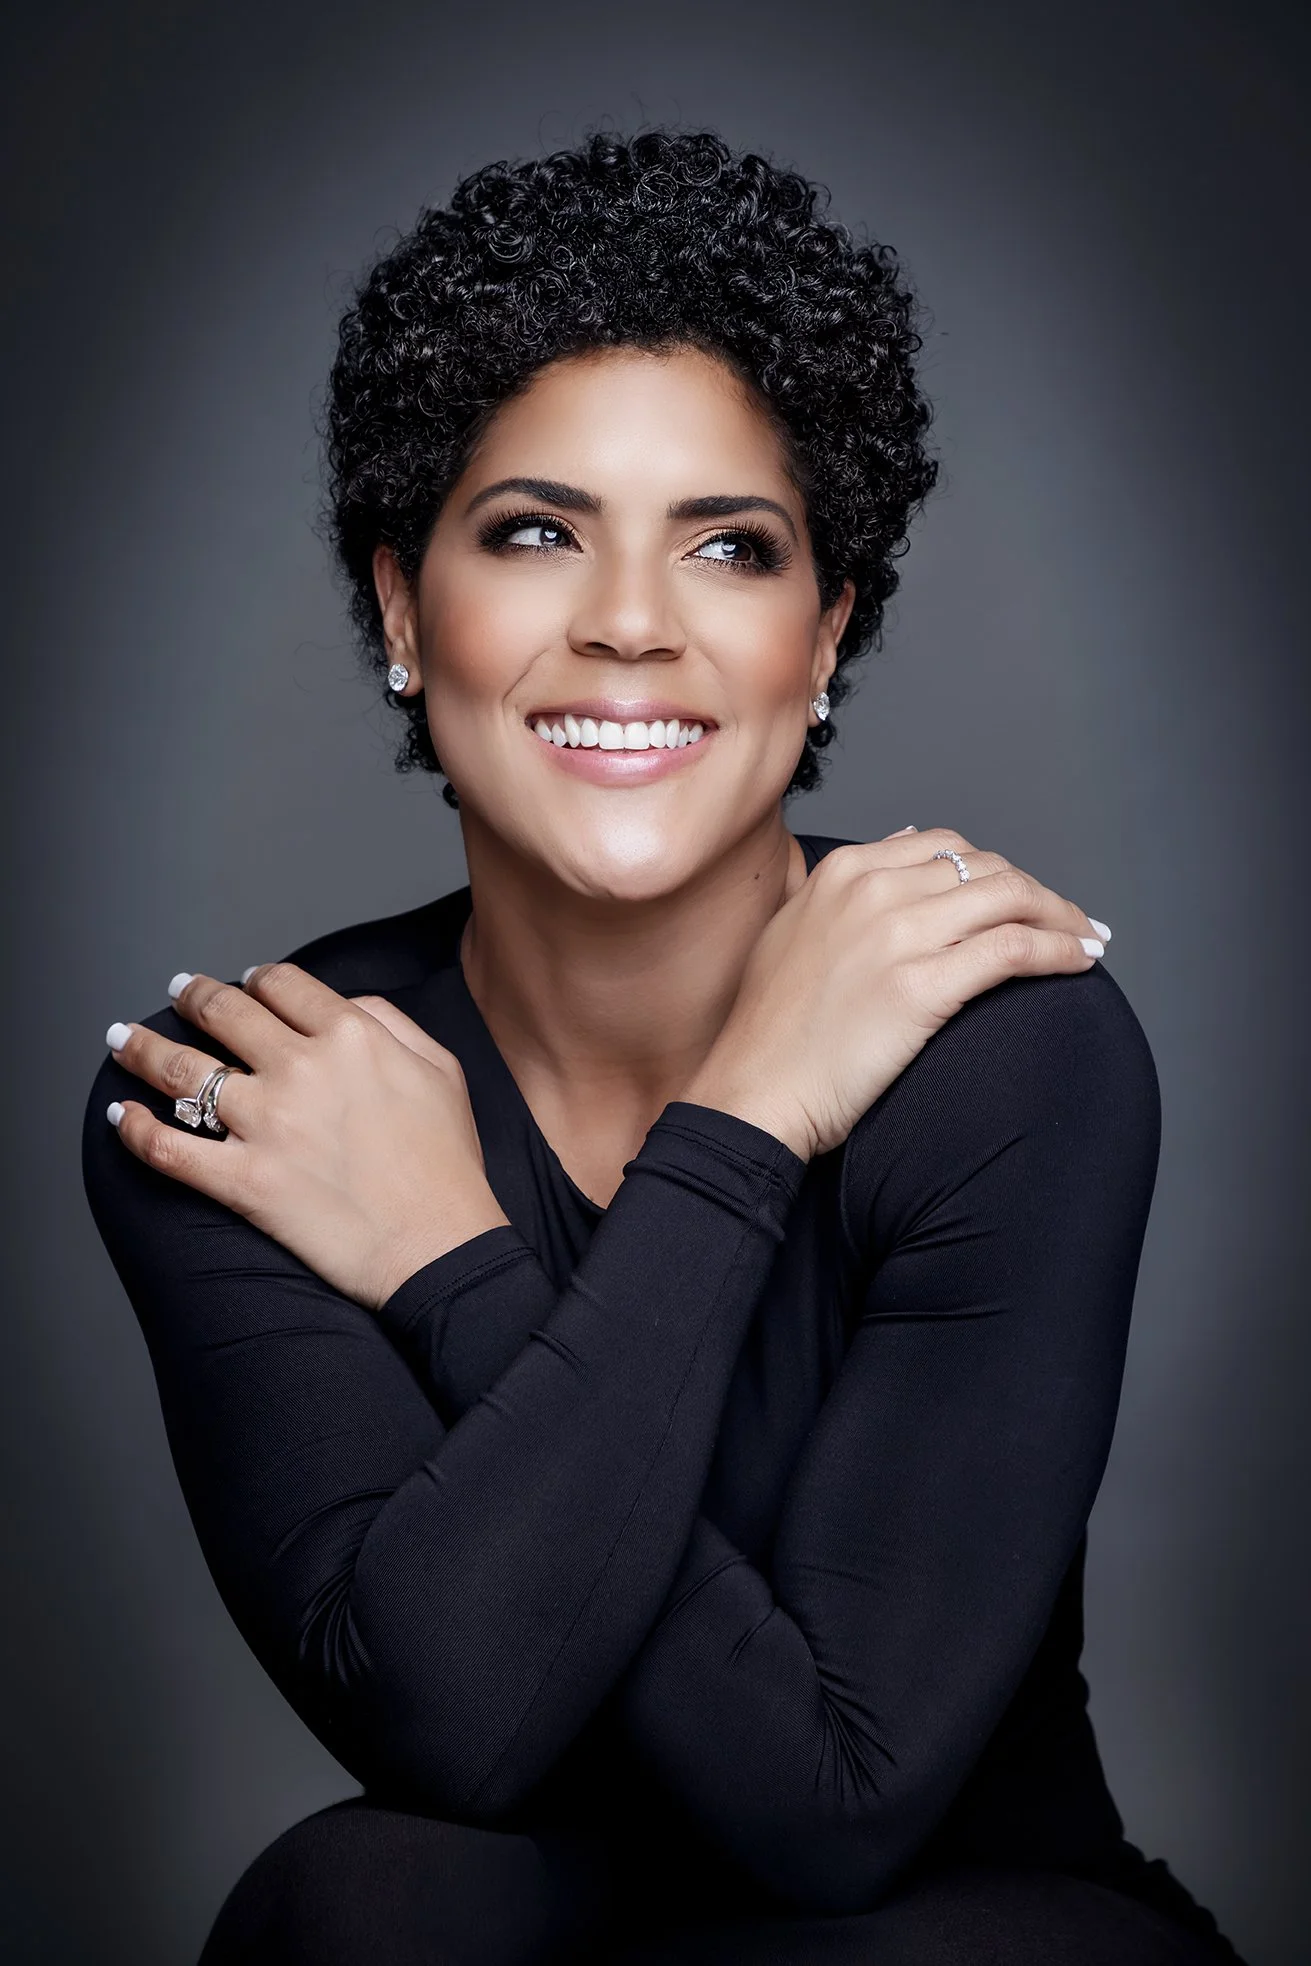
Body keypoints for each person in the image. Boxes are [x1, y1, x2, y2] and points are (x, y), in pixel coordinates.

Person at [81, 128, 1246, 1965]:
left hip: (963, 1919)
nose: (630, 621)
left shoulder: (1003, 1044)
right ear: (401, 607)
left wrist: (491, 1239)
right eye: (536, 531)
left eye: (730, 545)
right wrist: (729, 1131)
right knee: (353, 1908)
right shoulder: (255, 1091)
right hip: (548, 1891)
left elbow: (833, 1798)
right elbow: (457, 1723)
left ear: (824, 629)